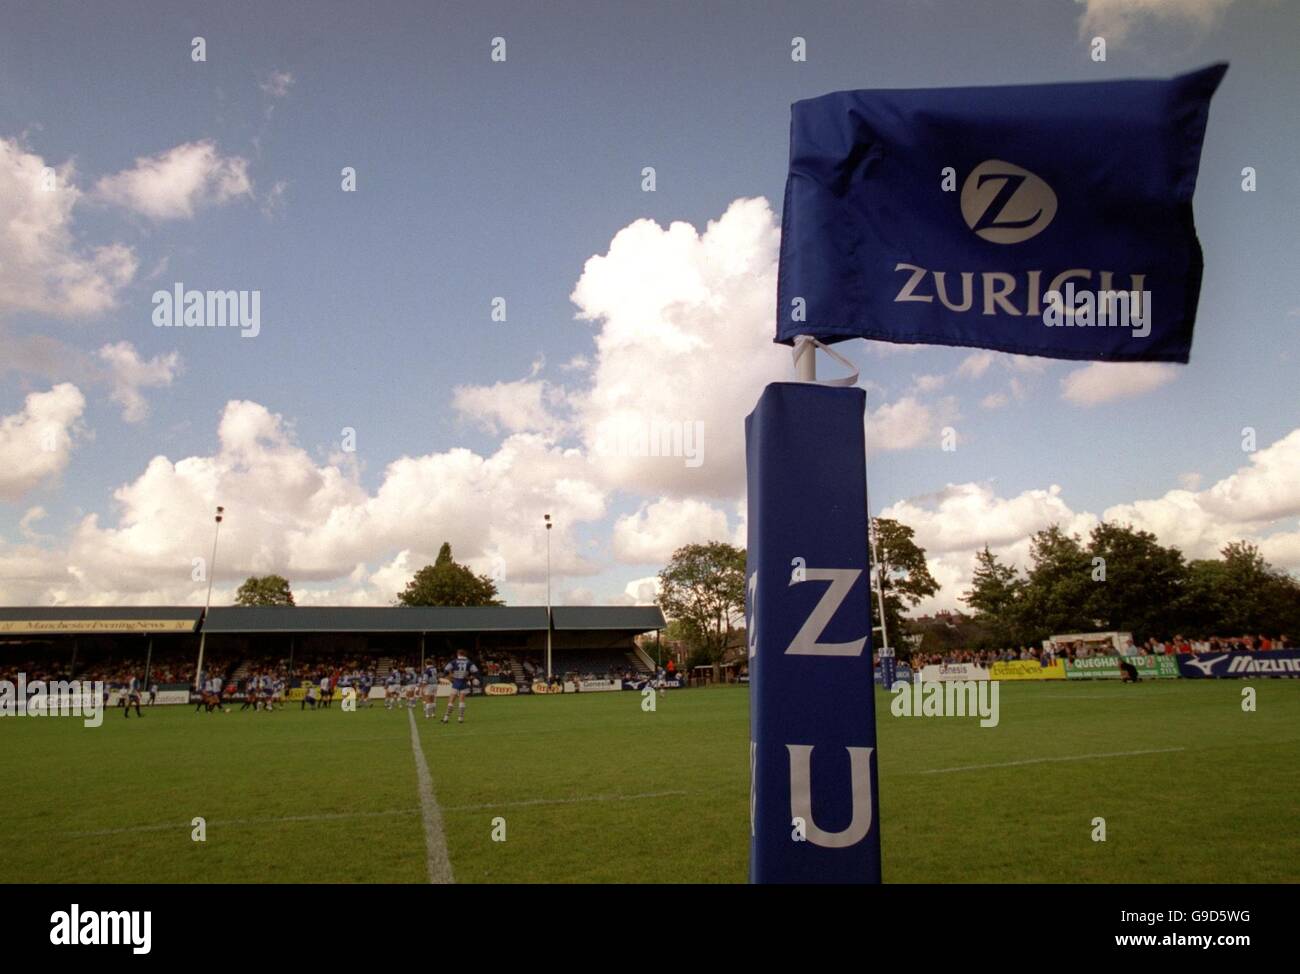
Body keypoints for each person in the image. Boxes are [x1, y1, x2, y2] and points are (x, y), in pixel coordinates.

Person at [441, 649, 479, 724]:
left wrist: (450, 675)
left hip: (456, 683)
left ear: (458, 654)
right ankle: (460, 718)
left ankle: (446, 718)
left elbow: (445, 670)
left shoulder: (454, 661)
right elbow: (476, 672)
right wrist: (469, 677)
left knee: (451, 701)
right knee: (462, 701)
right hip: (464, 683)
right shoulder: (469, 662)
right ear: (465, 654)